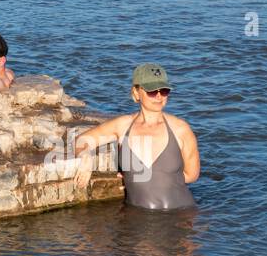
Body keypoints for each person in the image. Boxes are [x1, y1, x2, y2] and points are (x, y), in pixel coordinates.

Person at [73, 63, 200, 210]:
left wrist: (151, 179)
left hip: (180, 217)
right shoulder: (122, 126)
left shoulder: (181, 129)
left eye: (164, 90)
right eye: (152, 91)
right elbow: (81, 141)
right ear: (136, 92)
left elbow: (192, 174)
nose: (159, 96)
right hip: (137, 218)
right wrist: (85, 157)